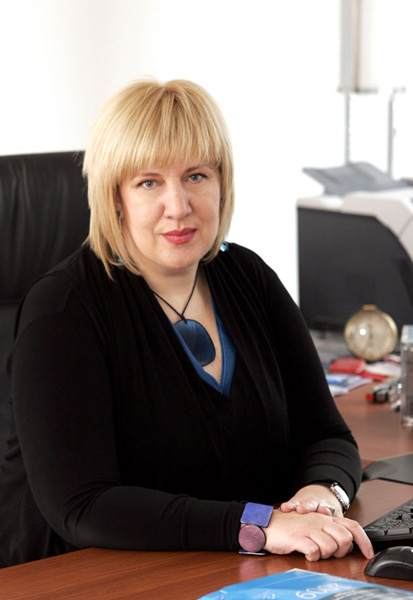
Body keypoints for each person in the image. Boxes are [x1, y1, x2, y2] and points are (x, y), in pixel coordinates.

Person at [0, 79, 374, 567]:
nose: (178, 206)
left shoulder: (249, 278)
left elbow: (327, 436)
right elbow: (83, 505)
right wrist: (259, 525)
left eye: (196, 176)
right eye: (149, 182)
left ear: (222, 183)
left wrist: (320, 496)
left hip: (232, 568)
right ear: (116, 197)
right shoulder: (63, 311)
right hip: (89, 577)